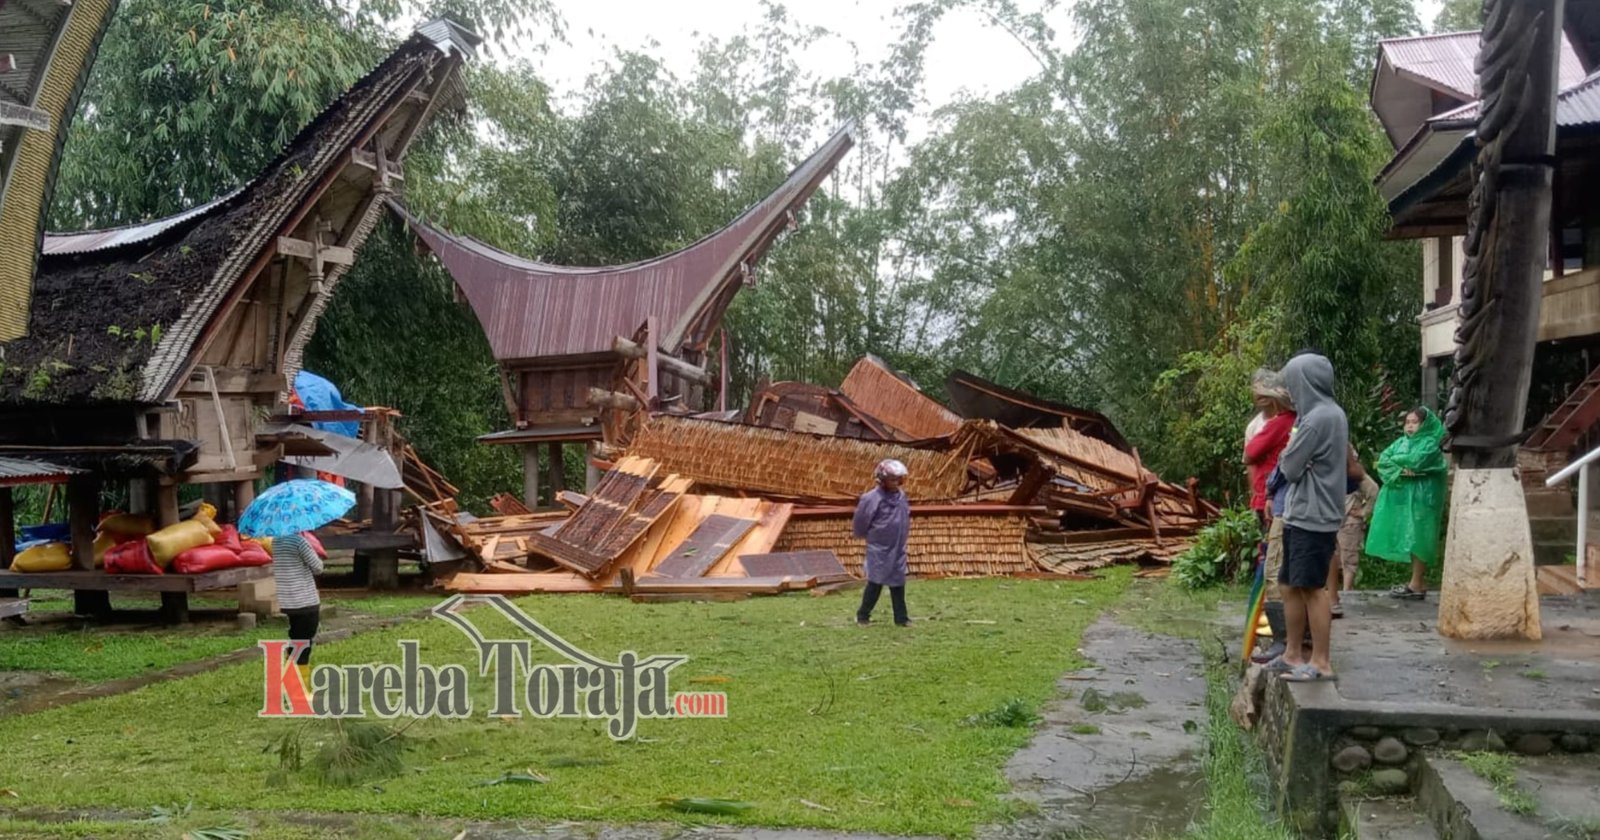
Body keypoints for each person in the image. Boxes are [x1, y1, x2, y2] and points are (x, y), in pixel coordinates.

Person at [1272, 352, 1348, 683]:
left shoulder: (1318, 418)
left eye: (1292, 382)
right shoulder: (1327, 414)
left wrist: (1293, 456)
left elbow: (1288, 467)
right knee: (1289, 584)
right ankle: (1292, 653)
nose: (1289, 390)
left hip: (1313, 515)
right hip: (1302, 511)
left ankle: (1320, 662)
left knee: (1312, 588)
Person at [1364, 407, 1448, 600]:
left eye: (1414, 422)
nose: (1409, 426)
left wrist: (1398, 465)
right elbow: (1383, 460)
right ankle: (1415, 583)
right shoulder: (1401, 442)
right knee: (1412, 537)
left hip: (1423, 500)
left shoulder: (1430, 444)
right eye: (1407, 422)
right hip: (1406, 499)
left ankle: (1417, 583)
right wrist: (1402, 469)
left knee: (1420, 539)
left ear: (1424, 424)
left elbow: (1416, 461)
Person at [1246, 369, 1296, 664]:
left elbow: (1250, 453)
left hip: (1273, 498)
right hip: (1271, 496)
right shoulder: (1290, 423)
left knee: (1273, 566)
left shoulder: (1280, 424)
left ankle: (1278, 635)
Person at [854, 459, 911, 627]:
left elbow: (904, 518)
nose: (895, 483)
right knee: (876, 581)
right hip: (879, 547)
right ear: (882, 479)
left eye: (898, 479)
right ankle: (863, 615)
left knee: (898, 582)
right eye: (892, 479)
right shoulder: (871, 498)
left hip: (897, 546)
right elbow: (861, 520)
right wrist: (866, 536)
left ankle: (901, 618)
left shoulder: (901, 497)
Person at [1329, 446, 1380, 618]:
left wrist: (1364, 512)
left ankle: (1346, 591)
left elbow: (1374, 491)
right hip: (1331, 519)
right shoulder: (1329, 474)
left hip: (1349, 520)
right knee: (1332, 558)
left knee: (1348, 557)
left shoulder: (1356, 476)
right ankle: (1333, 593)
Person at [272, 532, 325, 684]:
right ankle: (299, 686)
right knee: (305, 643)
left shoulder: (276, 541)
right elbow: (318, 567)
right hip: (305, 600)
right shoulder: (299, 542)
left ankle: (289, 671)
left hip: (289, 601)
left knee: (296, 637)